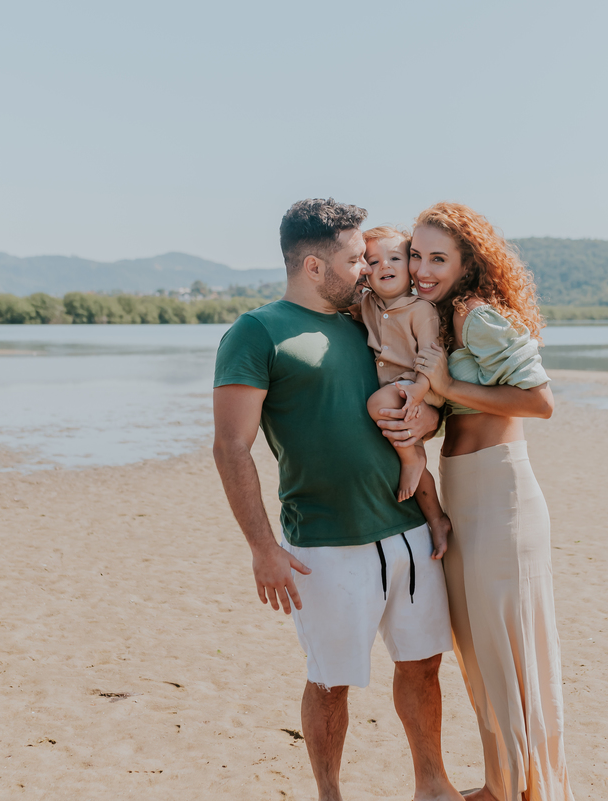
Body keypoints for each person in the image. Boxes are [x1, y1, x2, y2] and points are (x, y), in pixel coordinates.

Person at [211, 198, 463, 801]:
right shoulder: (257, 331)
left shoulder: (367, 320)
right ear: (316, 267)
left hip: (408, 531)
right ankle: (330, 794)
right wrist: (261, 548)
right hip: (324, 544)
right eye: (355, 260)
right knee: (331, 682)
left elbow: (417, 391)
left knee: (423, 663)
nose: (368, 270)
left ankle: (432, 786)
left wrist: (427, 417)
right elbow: (231, 447)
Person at [410, 202, 574, 801]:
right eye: (415, 256)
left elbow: (540, 401)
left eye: (437, 258)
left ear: (467, 261)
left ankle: (513, 788)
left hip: (500, 496)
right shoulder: (444, 318)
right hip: (470, 493)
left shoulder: (477, 316)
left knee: (504, 651)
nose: (422, 269)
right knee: (483, 648)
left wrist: (449, 386)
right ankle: (512, 782)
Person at [358, 225, 446, 511]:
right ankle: (435, 517)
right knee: (410, 458)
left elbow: (431, 356)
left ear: (410, 268)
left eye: (395, 258)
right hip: (399, 387)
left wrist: (420, 389)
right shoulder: (368, 304)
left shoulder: (420, 310)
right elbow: (346, 305)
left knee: (378, 403)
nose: (385, 264)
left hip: (420, 384)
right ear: (365, 272)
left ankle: (413, 459)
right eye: (373, 261)